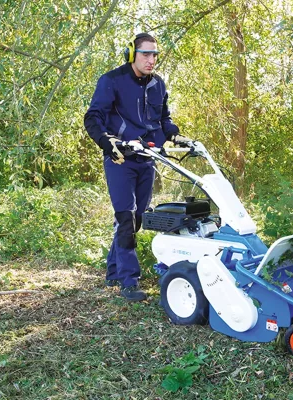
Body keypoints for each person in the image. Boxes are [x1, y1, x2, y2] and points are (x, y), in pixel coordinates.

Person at [82, 32, 183, 301]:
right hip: (121, 159)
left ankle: (113, 271)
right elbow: (93, 118)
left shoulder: (158, 84)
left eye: (155, 55)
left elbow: (164, 118)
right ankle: (129, 281)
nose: (152, 60)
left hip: (146, 159)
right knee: (126, 217)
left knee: (137, 218)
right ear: (131, 54)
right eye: (146, 54)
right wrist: (106, 142)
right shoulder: (111, 81)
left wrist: (174, 134)